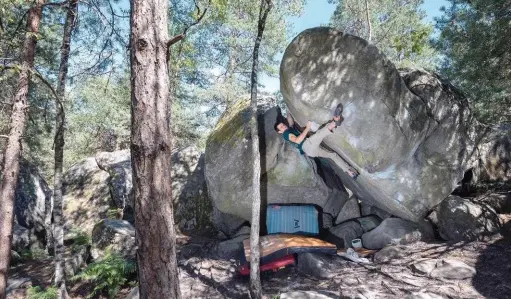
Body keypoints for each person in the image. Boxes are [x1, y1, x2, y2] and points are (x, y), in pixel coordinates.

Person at [274, 104, 359, 180]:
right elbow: (297, 140)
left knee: (332, 155)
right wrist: (308, 127)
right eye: (281, 127)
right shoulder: (285, 134)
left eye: (283, 124)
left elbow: (290, 123)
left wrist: (288, 109)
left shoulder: (289, 130)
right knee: (319, 134)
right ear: (279, 132)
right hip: (307, 145)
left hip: (310, 151)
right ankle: (336, 121)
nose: (284, 126)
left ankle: (350, 172)